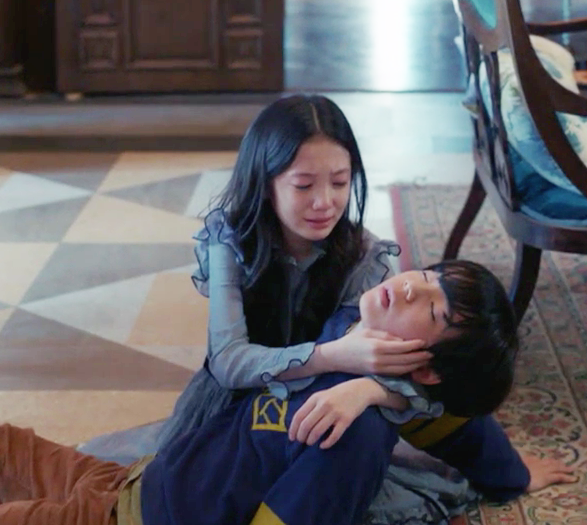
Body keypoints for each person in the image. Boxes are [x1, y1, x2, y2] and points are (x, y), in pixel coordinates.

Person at [0, 262, 575, 525]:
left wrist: (374, 402)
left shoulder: (350, 433)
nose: (408, 285)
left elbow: (458, 418)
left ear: (428, 365)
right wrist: (508, 475)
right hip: (128, 486)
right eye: (427, 277)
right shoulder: (349, 341)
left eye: (430, 308)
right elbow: (468, 432)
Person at [77, 94, 473, 523]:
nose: (325, 202)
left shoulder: (366, 256)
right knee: (137, 489)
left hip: (312, 417)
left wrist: (369, 390)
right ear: (265, 183)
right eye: (304, 185)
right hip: (228, 414)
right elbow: (229, 361)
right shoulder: (231, 241)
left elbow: (407, 372)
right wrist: (332, 355)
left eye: (340, 183)